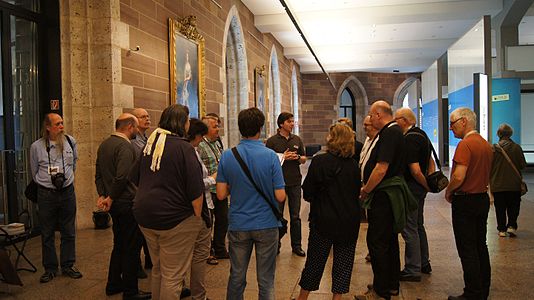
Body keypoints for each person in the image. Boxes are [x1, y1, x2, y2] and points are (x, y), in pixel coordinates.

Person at [132, 104, 204, 300]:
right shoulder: (184, 147)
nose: (189, 125)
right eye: (188, 121)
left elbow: (134, 177)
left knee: (159, 269)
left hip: (145, 216)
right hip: (175, 219)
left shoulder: (151, 144)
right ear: (181, 123)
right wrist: (197, 220)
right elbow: (196, 190)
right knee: (173, 275)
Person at [216, 107, 286, 299]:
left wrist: (237, 185)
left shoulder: (228, 156)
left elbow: (221, 194)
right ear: (260, 128)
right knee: (266, 279)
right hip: (266, 223)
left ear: (240, 128)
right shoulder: (271, 156)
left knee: (237, 276)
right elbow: (280, 196)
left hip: (239, 224)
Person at [355, 100, 415, 300]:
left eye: (371, 116)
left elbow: (381, 168)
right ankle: (390, 284)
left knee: (378, 241)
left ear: (379, 115)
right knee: (388, 241)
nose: (370, 120)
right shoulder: (391, 131)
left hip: (383, 196)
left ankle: (381, 290)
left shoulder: (390, 132)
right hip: (383, 195)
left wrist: (366, 190)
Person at [296, 123, 361, 300]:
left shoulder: (320, 161)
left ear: (333, 138)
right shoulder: (354, 166)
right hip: (349, 221)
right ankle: (337, 299)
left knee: (315, 262)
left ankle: (303, 298)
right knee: (343, 263)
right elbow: (356, 193)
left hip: (323, 220)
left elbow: (308, 191)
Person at [95, 114, 150, 300]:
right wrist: (110, 197)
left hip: (114, 203)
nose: (136, 131)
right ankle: (131, 291)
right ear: (129, 127)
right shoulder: (125, 146)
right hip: (126, 202)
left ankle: (113, 284)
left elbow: (98, 175)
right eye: (135, 127)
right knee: (130, 248)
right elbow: (123, 176)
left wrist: (103, 195)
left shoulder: (104, 145)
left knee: (119, 245)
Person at [445, 107, 493, 300]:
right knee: (481, 245)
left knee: (467, 248)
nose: (450, 128)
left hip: (466, 200)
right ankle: (483, 289)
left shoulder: (465, 145)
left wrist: (449, 191)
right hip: (481, 198)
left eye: (452, 123)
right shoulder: (485, 144)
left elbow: (459, 175)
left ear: (464, 121)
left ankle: (472, 292)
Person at [30, 113, 82, 283]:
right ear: (48, 127)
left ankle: (68, 265)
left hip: (67, 192)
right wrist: (46, 182)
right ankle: (50, 268)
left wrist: (66, 178)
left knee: (69, 231)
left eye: (62, 123)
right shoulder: (36, 147)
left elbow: (73, 163)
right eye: (57, 124)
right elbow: (34, 171)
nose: (61, 126)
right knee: (47, 233)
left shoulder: (70, 141)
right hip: (46, 194)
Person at [394, 108, 433, 282]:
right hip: (419, 189)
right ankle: (424, 263)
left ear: (404, 120)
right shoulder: (422, 135)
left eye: (397, 120)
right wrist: (427, 185)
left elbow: (415, 170)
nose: (395, 123)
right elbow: (431, 161)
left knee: (409, 229)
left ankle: (412, 269)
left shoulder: (409, 139)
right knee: (418, 226)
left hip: (412, 188)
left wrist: (425, 185)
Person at [266, 112, 307, 257]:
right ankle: (275, 245)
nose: (292, 124)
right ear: (281, 124)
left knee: (295, 216)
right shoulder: (271, 141)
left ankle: (297, 246)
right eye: (289, 121)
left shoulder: (297, 139)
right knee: (277, 215)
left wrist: (297, 157)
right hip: (278, 183)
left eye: (292, 121)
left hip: (295, 181)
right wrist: (283, 157)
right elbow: (268, 162)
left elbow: (303, 158)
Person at [187, 118, 215, 300]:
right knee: (198, 255)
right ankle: (198, 295)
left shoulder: (192, 151)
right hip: (198, 209)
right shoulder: (189, 153)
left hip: (201, 205)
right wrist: (213, 179)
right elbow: (193, 184)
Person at [198, 115, 228, 260]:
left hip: (221, 189)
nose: (218, 129)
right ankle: (208, 252)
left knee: (223, 220)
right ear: (206, 129)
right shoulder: (200, 146)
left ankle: (220, 249)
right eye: (215, 127)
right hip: (208, 190)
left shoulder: (216, 143)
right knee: (208, 223)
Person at [490, 123, 527, 237]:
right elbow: (522, 165)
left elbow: (489, 166)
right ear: (510, 134)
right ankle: (511, 225)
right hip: (514, 184)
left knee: (500, 207)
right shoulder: (517, 147)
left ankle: (501, 229)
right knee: (514, 206)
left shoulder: (493, 148)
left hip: (497, 184)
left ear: (498, 134)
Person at [131, 108, 153, 278]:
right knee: (136, 235)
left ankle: (149, 260)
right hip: (136, 191)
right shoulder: (133, 141)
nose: (147, 118)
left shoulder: (146, 138)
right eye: (143, 116)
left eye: (147, 116)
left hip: (146, 189)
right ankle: (135, 265)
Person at [359, 115, 379, 263]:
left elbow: (380, 169)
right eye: (364, 125)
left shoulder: (379, 141)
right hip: (365, 186)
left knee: (375, 226)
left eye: (368, 125)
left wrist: (366, 188)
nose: (365, 128)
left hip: (374, 190)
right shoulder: (367, 140)